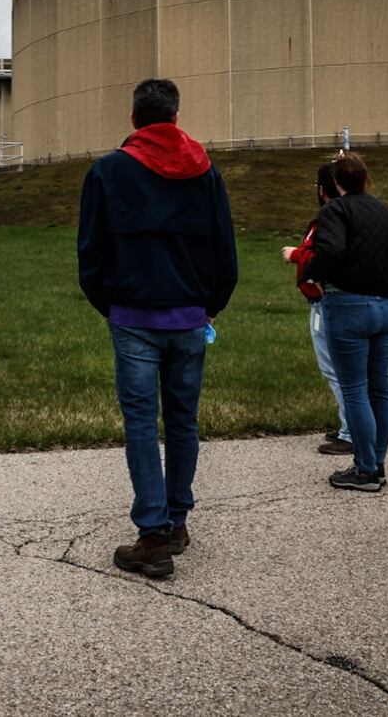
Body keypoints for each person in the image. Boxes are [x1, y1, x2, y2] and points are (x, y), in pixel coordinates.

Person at [78, 78, 238, 580]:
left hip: (134, 317)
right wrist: (210, 306)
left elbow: (91, 254)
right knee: (184, 422)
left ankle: (153, 535)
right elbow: (224, 251)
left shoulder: (107, 171)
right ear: (174, 115)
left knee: (143, 425)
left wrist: (114, 305)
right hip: (190, 316)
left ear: (134, 117)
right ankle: (177, 520)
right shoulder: (206, 173)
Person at [305, 150, 388, 492]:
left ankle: (365, 469)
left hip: (348, 306)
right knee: (381, 388)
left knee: (355, 389)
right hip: (386, 306)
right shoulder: (385, 212)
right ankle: (377, 461)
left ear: (335, 183)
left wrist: (313, 273)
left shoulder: (336, 209)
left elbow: (329, 250)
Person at [282, 163, 352, 456]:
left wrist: (297, 254)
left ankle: (350, 432)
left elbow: (323, 253)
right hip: (347, 300)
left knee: (335, 369)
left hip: (327, 302)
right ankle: (351, 424)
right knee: (350, 370)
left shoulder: (329, 218)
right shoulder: (353, 213)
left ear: (323, 191)